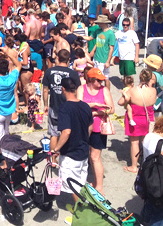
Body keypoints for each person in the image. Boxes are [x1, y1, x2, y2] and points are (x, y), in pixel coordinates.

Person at [52, 78, 93, 225]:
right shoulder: (85, 106)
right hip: (83, 151)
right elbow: (90, 128)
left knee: (73, 186)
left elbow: (66, 132)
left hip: (71, 153)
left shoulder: (64, 108)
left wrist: (56, 149)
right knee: (81, 182)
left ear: (63, 89)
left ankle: (81, 217)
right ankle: (81, 209)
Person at [77, 68, 114, 194]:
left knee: (95, 156)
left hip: (98, 127)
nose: (101, 83)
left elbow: (112, 109)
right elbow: (78, 106)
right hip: (83, 127)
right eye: (99, 81)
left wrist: (96, 113)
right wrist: (92, 107)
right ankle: (94, 181)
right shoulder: (82, 89)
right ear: (92, 80)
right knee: (89, 155)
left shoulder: (104, 90)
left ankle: (100, 187)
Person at [42, 49, 82, 152]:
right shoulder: (72, 73)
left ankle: (53, 160)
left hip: (54, 106)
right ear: (69, 60)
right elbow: (78, 90)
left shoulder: (49, 71)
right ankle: (65, 153)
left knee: (54, 134)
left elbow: (45, 90)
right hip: (68, 107)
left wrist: (45, 105)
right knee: (67, 131)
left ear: (58, 58)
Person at [118, 69, 155, 173]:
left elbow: (120, 102)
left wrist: (125, 95)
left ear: (140, 78)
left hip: (135, 118)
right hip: (148, 118)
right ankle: (147, 163)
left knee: (134, 143)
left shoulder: (132, 91)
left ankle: (134, 166)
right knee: (146, 142)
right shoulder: (153, 90)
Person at [91, 15, 115, 89]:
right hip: (96, 58)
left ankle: (107, 92)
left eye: (99, 23)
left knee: (105, 77)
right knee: (96, 76)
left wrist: (108, 61)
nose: (98, 24)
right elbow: (95, 41)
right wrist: (93, 51)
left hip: (104, 59)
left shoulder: (110, 34)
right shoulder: (98, 31)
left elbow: (111, 48)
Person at [115, 18, 139, 83]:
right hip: (121, 57)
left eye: (127, 25)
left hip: (129, 57)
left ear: (129, 25)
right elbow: (112, 40)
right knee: (124, 74)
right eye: (124, 25)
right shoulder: (118, 33)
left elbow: (137, 44)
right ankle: (126, 87)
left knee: (130, 75)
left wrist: (136, 57)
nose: (125, 26)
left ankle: (131, 89)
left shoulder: (132, 33)